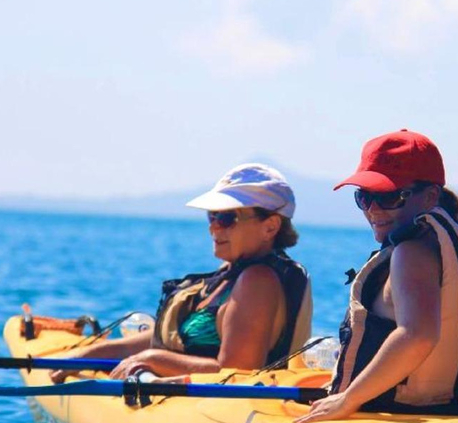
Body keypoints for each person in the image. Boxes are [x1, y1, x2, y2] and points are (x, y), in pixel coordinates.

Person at [295, 129, 458, 423]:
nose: (374, 209)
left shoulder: (411, 252)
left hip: (409, 418)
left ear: (430, 196)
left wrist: (348, 400)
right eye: (364, 197)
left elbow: (418, 335)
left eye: (389, 196)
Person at [51, 163, 312, 383]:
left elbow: (237, 373)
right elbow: (165, 341)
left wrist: (150, 360)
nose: (214, 229)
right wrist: (89, 354)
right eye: (212, 216)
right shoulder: (230, 274)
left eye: (227, 218)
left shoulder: (258, 282)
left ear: (270, 227)